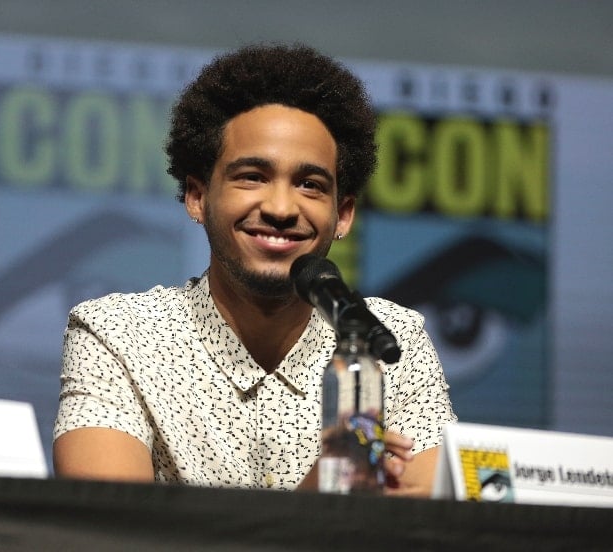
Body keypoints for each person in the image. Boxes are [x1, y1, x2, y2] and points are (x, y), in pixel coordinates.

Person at [52, 43, 456, 496]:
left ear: (343, 215)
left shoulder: (391, 336)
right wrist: (318, 500)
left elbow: (431, 525)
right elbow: (107, 531)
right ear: (197, 197)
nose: (282, 207)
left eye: (310, 184)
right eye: (252, 176)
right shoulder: (118, 336)